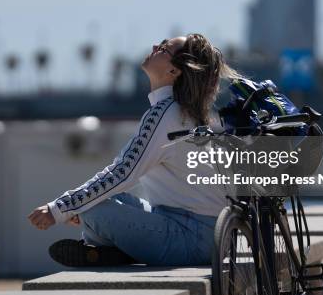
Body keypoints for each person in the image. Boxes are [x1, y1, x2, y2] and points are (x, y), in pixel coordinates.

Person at [27, 33, 241, 267]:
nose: (154, 46)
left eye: (163, 48)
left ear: (174, 71)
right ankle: (110, 252)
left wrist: (59, 208)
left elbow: (122, 173)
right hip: (204, 233)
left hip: (192, 239)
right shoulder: (182, 112)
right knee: (104, 198)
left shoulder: (166, 114)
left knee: (93, 209)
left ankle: (103, 251)